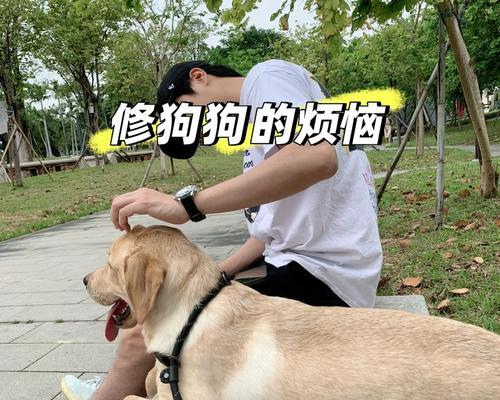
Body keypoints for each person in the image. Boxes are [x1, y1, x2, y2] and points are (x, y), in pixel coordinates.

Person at [61, 59, 383, 400]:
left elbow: (317, 157)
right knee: (172, 297)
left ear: (199, 78)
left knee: (151, 315)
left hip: (322, 276)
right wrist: (217, 272)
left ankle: (105, 396)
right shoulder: (263, 126)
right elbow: (268, 234)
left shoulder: (267, 77)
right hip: (309, 268)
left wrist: (188, 205)